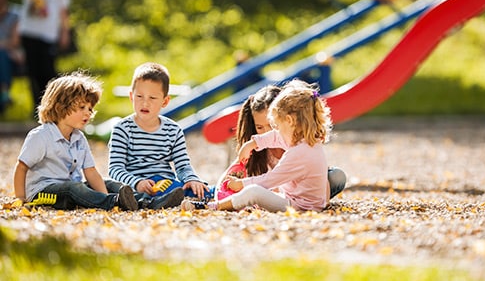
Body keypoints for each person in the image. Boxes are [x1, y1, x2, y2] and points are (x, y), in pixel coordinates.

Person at [182, 79, 333, 212]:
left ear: (289, 121)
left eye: (277, 126)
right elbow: (275, 137)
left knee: (253, 192)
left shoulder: (300, 152)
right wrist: (252, 144)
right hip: (298, 199)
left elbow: (270, 180)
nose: (276, 132)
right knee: (261, 193)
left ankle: (215, 206)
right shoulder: (304, 140)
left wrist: (241, 184)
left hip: (301, 207)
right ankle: (230, 202)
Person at [12, 72, 138, 211]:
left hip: (71, 189)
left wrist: (104, 193)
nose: (88, 113)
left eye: (90, 109)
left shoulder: (79, 138)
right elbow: (21, 167)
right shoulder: (41, 136)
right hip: (43, 192)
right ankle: (114, 202)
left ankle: (140, 200)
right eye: (82, 107)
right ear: (60, 106)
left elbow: (90, 171)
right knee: (74, 188)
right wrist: (21, 198)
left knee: (107, 182)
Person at [214, 84, 346, 201]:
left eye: (272, 125)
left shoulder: (297, 143)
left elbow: (314, 175)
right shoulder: (259, 150)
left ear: (287, 120)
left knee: (336, 176)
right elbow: (231, 174)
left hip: (302, 193)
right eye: (260, 127)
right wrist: (222, 191)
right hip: (277, 193)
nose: (266, 132)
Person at [108, 62, 210, 206]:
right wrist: (137, 182)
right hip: (135, 186)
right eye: (139, 97)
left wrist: (192, 179)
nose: (145, 103)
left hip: (165, 185)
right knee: (125, 193)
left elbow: (182, 166)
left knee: (202, 191)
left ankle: (174, 199)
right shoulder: (122, 129)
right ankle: (151, 201)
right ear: (131, 96)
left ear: (165, 101)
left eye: (152, 98)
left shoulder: (173, 130)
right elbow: (115, 169)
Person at [2, 0, 71, 115]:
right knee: (32, 72)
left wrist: (65, 31)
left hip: (48, 34)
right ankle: (37, 110)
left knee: (47, 71)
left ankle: (55, 105)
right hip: (29, 32)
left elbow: (63, 10)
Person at [0, 0, 22, 113]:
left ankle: (4, 93)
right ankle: (4, 93)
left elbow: (14, 41)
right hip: (7, 52)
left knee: (2, 56)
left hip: (11, 55)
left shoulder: (14, 15)